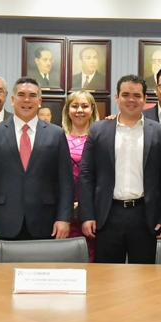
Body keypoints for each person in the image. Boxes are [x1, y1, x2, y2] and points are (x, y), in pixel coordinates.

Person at [80, 75, 161, 264]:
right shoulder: (98, 130)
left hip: (146, 216)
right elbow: (86, 175)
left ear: (145, 99)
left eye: (137, 95)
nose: (131, 100)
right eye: (125, 95)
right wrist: (87, 215)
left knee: (145, 276)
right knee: (107, 276)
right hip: (107, 215)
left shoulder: (160, 132)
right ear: (116, 97)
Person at [0, 78, 73, 245]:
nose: (26, 100)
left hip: (45, 223)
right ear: (12, 100)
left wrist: (64, 218)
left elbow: (66, 182)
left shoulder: (56, 134)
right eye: (21, 95)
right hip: (2, 222)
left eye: (32, 95)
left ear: (39, 101)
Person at [62, 90, 101, 261]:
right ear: (67, 110)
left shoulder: (102, 138)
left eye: (84, 106)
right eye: (75, 106)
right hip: (65, 210)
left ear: (92, 109)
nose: (79, 110)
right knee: (66, 258)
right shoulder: (57, 137)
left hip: (93, 210)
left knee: (91, 257)